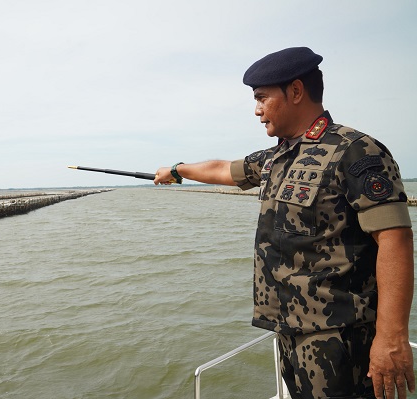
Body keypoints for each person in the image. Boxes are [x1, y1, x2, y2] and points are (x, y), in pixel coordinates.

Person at [154, 47, 415, 399]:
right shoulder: (278, 157)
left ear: (295, 91)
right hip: (288, 330)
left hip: (339, 338)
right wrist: (176, 170)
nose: (257, 110)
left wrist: (392, 337)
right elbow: (221, 169)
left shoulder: (355, 150)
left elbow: (395, 239)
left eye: (262, 97)